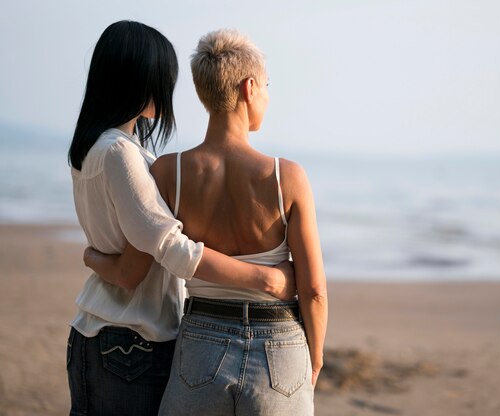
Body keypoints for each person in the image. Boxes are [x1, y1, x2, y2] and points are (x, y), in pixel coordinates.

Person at [90, 28, 328, 415]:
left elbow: (135, 265)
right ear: (250, 87)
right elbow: (314, 289)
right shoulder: (287, 177)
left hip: (201, 340)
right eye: (267, 85)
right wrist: (315, 355)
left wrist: (91, 258)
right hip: (279, 342)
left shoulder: (168, 172)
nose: (267, 95)